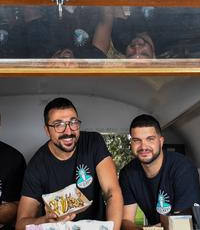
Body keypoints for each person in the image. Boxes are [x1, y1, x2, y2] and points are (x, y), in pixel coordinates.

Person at [16, 97, 123, 230]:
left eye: (73, 122)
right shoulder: (36, 166)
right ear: (47, 131)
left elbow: (112, 192)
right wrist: (45, 220)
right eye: (58, 125)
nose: (68, 131)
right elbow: (20, 224)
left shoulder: (93, 142)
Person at [119, 115, 200, 230]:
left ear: (161, 141)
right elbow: (125, 220)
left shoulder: (183, 168)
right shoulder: (127, 174)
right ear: (131, 143)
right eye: (137, 140)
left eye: (150, 139)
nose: (143, 146)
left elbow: (183, 224)